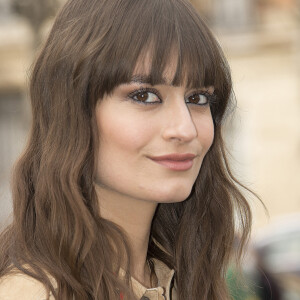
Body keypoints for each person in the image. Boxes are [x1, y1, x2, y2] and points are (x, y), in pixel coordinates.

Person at [0, 0, 253, 299]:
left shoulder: (180, 281)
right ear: (71, 111)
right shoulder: (36, 293)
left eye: (197, 98)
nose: (186, 129)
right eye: (144, 96)